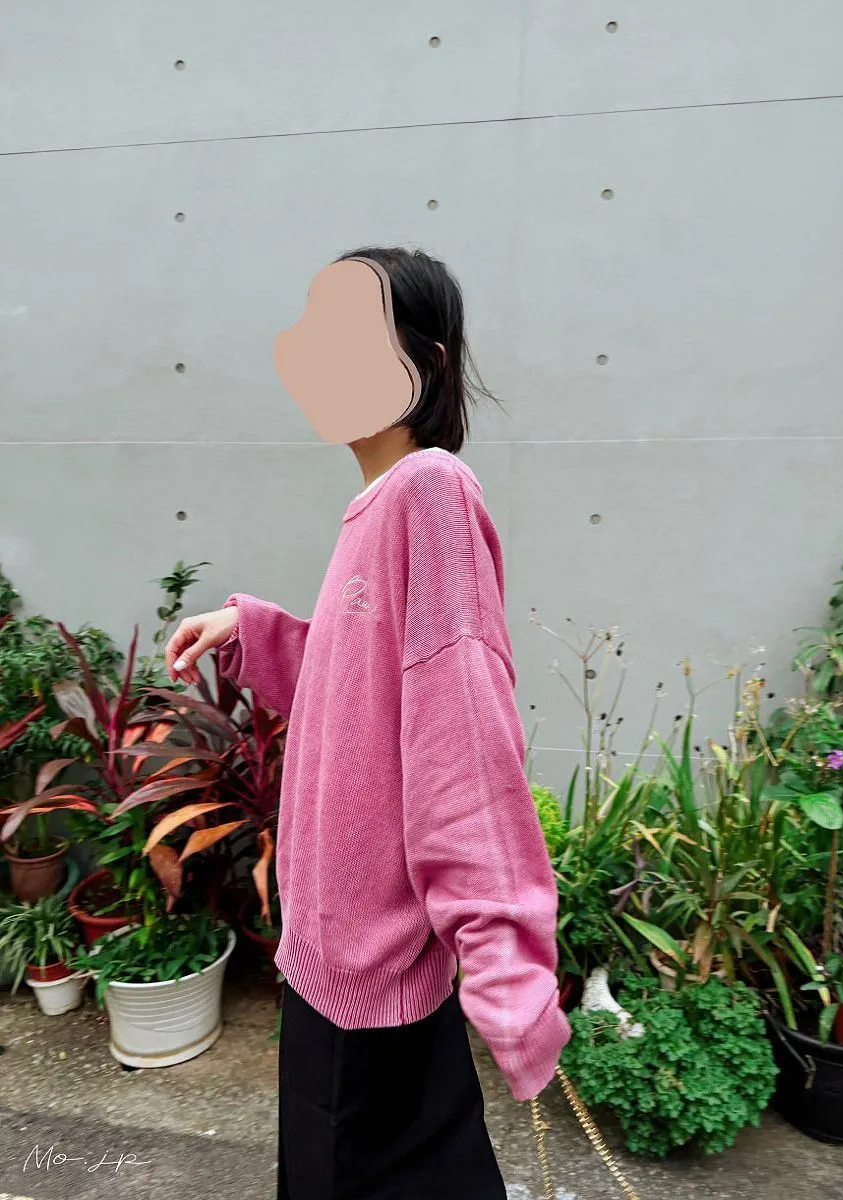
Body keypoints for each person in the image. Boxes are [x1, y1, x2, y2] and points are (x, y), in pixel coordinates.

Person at [165, 246, 570, 1199]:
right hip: (328, 965)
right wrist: (258, 632)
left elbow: (460, 733)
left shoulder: (430, 490)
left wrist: (505, 964)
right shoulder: (376, 508)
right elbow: (363, 688)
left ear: (424, 362)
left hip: (375, 976)